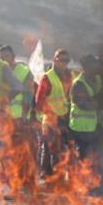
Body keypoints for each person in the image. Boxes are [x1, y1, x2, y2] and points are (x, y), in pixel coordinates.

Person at [35, 48, 73, 177]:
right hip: (51, 119)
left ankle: (57, 174)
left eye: (67, 61)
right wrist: (52, 113)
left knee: (61, 148)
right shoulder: (47, 78)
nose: (64, 63)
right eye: (61, 60)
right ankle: (47, 174)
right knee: (50, 148)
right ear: (54, 60)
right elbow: (39, 101)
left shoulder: (69, 76)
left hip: (64, 118)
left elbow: (69, 97)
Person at [68, 55, 99, 160]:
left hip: (91, 128)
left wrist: (95, 101)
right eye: (94, 65)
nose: (96, 68)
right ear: (86, 67)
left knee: (90, 158)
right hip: (79, 129)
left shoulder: (96, 80)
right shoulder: (78, 84)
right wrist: (99, 103)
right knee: (80, 158)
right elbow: (83, 104)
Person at [0, 45, 33, 122]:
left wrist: (24, 116)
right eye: (1, 58)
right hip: (3, 117)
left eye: (7, 56)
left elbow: (28, 95)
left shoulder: (24, 71)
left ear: (13, 56)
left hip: (19, 116)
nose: (4, 60)